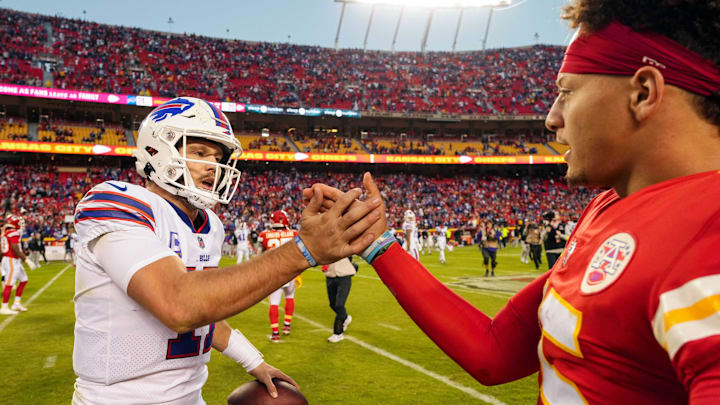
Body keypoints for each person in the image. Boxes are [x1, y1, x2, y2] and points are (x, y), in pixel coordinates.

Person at [306, 1, 720, 401]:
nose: (552, 117)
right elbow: (495, 351)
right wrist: (379, 243)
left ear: (644, 92)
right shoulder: (610, 206)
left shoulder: (708, 236)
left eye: (567, 92)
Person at [72, 97, 383, 404]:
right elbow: (178, 305)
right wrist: (303, 250)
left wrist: (253, 360)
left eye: (218, 158)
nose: (214, 168)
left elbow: (204, 314)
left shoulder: (210, 225)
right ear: (158, 149)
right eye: (199, 152)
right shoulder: (114, 202)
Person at [258, 210, 300, 342]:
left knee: (274, 303)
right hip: (291, 271)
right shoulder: (294, 234)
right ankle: (287, 326)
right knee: (290, 297)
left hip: (274, 273)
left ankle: (275, 333)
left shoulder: (264, 235)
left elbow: (261, 255)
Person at [0, 214, 36, 314]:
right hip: (11, 260)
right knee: (9, 283)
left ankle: (16, 303)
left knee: (24, 280)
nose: (20, 224)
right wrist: (26, 260)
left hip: (13, 260)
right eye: (18, 222)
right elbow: (15, 248)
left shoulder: (7, 232)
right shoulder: (12, 232)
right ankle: (4, 307)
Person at [321, 256, 357, 343]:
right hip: (330, 276)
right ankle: (345, 317)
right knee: (332, 304)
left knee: (339, 305)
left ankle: (338, 334)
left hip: (344, 275)